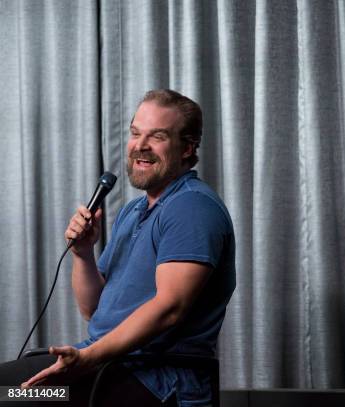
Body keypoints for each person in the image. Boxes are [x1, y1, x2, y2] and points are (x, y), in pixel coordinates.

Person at [0, 89, 235, 406]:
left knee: (15, 399)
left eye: (158, 136)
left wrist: (87, 358)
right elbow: (92, 309)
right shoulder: (133, 211)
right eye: (136, 133)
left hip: (152, 379)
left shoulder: (191, 207)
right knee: (9, 391)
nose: (140, 146)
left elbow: (170, 308)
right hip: (105, 367)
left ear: (187, 148)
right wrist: (82, 254)